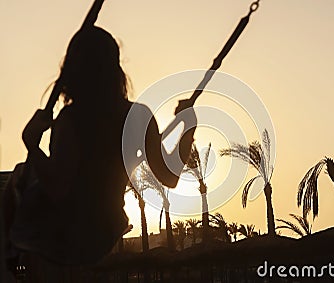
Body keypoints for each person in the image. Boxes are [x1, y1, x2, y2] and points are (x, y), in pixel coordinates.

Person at [8, 26, 197, 266]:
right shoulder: (138, 115)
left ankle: (9, 258)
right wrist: (188, 127)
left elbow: (58, 189)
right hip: (105, 231)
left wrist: (32, 144)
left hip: (66, 234)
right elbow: (169, 177)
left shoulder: (72, 119)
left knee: (18, 177)